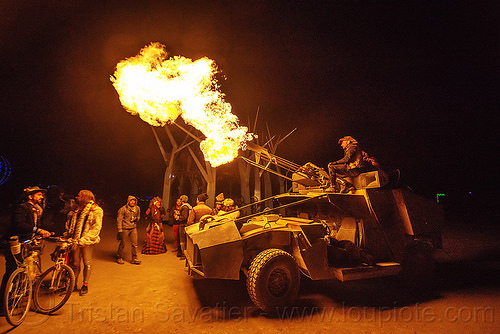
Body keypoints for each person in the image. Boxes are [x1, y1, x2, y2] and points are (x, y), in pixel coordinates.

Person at [1, 186, 52, 303]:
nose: (41, 197)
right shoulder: (22, 207)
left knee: (22, 271)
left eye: (42, 195)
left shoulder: (36, 209)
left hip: (25, 242)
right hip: (14, 242)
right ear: (30, 196)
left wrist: (34, 237)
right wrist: (37, 230)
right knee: (12, 271)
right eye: (39, 194)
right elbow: (18, 224)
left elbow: (32, 226)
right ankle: (3, 303)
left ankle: (15, 298)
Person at [64, 189, 102, 296]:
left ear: (85, 197)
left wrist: (84, 240)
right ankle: (73, 284)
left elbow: (96, 228)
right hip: (76, 240)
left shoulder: (96, 210)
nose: (76, 197)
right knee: (75, 263)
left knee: (87, 262)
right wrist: (69, 235)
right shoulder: (78, 209)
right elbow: (74, 225)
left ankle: (85, 284)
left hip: (87, 241)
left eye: (79, 196)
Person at [116, 195, 141, 265]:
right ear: (128, 201)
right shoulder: (123, 209)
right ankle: (120, 257)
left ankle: (134, 258)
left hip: (133, 228)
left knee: (135, 244)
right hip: (125, 228)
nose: (132, 202)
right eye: (131, 200)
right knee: (123, 244)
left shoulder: (137, 208)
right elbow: (119, 219)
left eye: (134, 200)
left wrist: (136, 218)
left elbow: (139, 216)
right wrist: (119, 230)